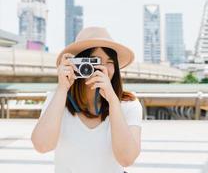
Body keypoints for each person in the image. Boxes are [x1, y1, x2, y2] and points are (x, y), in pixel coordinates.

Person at [31, 27, 143, 173]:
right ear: (77, 63)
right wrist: (62, 88)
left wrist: (113, 102)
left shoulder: (128, 104)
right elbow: (42, 145)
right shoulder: (58, 98)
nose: (102, 68)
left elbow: (126, 159)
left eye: (109, 62)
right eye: (95, 61)